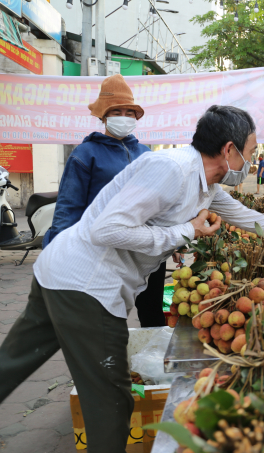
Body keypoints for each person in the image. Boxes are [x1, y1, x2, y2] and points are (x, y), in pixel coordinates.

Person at [0, 105, 264, 452]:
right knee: (110, 402)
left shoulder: (205, 184)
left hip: (59, 273)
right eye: (250, 151)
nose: (251, 159)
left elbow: (241, 215)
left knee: (12, 362)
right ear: (229, 150)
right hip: (87, 286)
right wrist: (186, 231)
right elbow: (108, 229)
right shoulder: (170, 169)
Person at [40, 74, 168, 328]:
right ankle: (106, 363)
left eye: (129, 112)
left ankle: (151, 363)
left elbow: (159, 202)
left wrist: (173, 238)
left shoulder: (146, 154)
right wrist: (58, 252)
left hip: (146, 248)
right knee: (106, 315)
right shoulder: (85, 154)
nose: (124, 117)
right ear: (104, 116)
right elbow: (69, 206)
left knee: (152, 312)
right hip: (107, 251)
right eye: (117, 111)